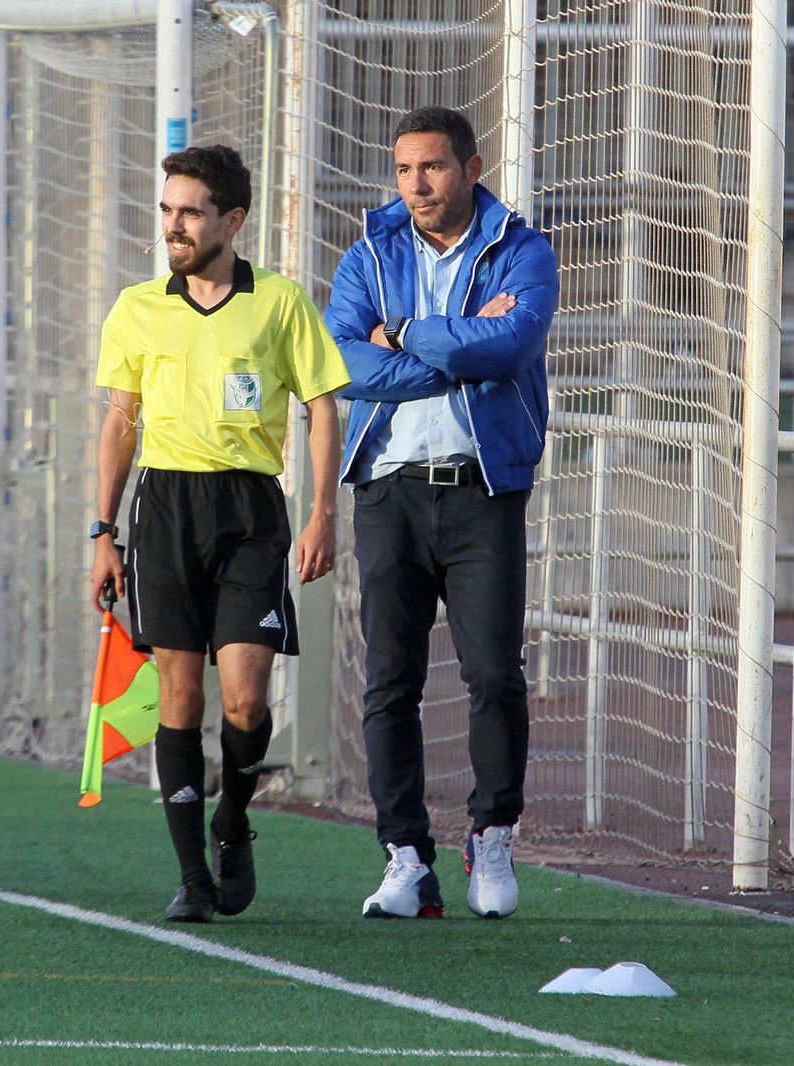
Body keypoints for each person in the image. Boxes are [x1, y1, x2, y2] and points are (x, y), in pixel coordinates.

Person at [88, 144, 351, 922]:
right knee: (179, 691)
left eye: (191, 211)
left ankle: (233, 822)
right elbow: (120, 421)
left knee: (242, 700)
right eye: (168, 209)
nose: (175, 225)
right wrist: (103, 533)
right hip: (165, 511)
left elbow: (323, 404)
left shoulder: (280, 303)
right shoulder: (137, 307)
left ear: (232, 220)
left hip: (249, 515)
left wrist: (323, 513)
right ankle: (192, 877)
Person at [324, 106, 559, 920]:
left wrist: (405, 336)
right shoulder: (367, 256)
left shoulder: (521, 250)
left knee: (494, 673)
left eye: (431, 167)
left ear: (470, 167)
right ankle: (406, 858)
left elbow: (508, 348)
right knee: (390, 679)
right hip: (387, 489)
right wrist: (449, 347)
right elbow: (342, 363)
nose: (416, 185)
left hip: (482, 490)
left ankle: (491, 839)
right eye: (403, 170)